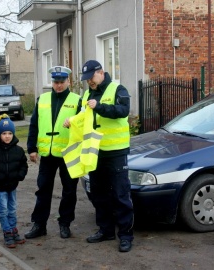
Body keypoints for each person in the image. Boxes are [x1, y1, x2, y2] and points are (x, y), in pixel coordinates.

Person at [79, 60, 134, 252]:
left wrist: (100, 106)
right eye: (86, 80)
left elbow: (123, 111)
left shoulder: (118, 89)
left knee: (120, 194)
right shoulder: (86, 94)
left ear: (101, 72)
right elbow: (82, 117)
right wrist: (72, 121)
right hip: (95, 152)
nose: (89, 83)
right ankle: (106, 230)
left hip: (116, 152)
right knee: (98, 193)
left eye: (91, 78)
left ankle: (126, 235)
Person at [25, 66, 82, 239]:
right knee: (43, 189)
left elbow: (83, 126)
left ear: (68, 82)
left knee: (69, 191)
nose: (58, 86)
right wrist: (32, 148)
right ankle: (39, 224)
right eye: (55, 82)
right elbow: (34, 124)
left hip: (69, 152)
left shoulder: (77, 100)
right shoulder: (42, 99)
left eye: (62, 82)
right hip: (47, 154)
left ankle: (65, 223)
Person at [0, 114, 28, 248]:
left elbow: (23, 165)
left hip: (12, 185)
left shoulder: (18, 150)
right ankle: (7, 231)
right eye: (4, 133)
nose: (7, 136)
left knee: (12, 209)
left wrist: (20, 175)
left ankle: (13, 229)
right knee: (3, 210)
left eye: (10, 133)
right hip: (0, 185)